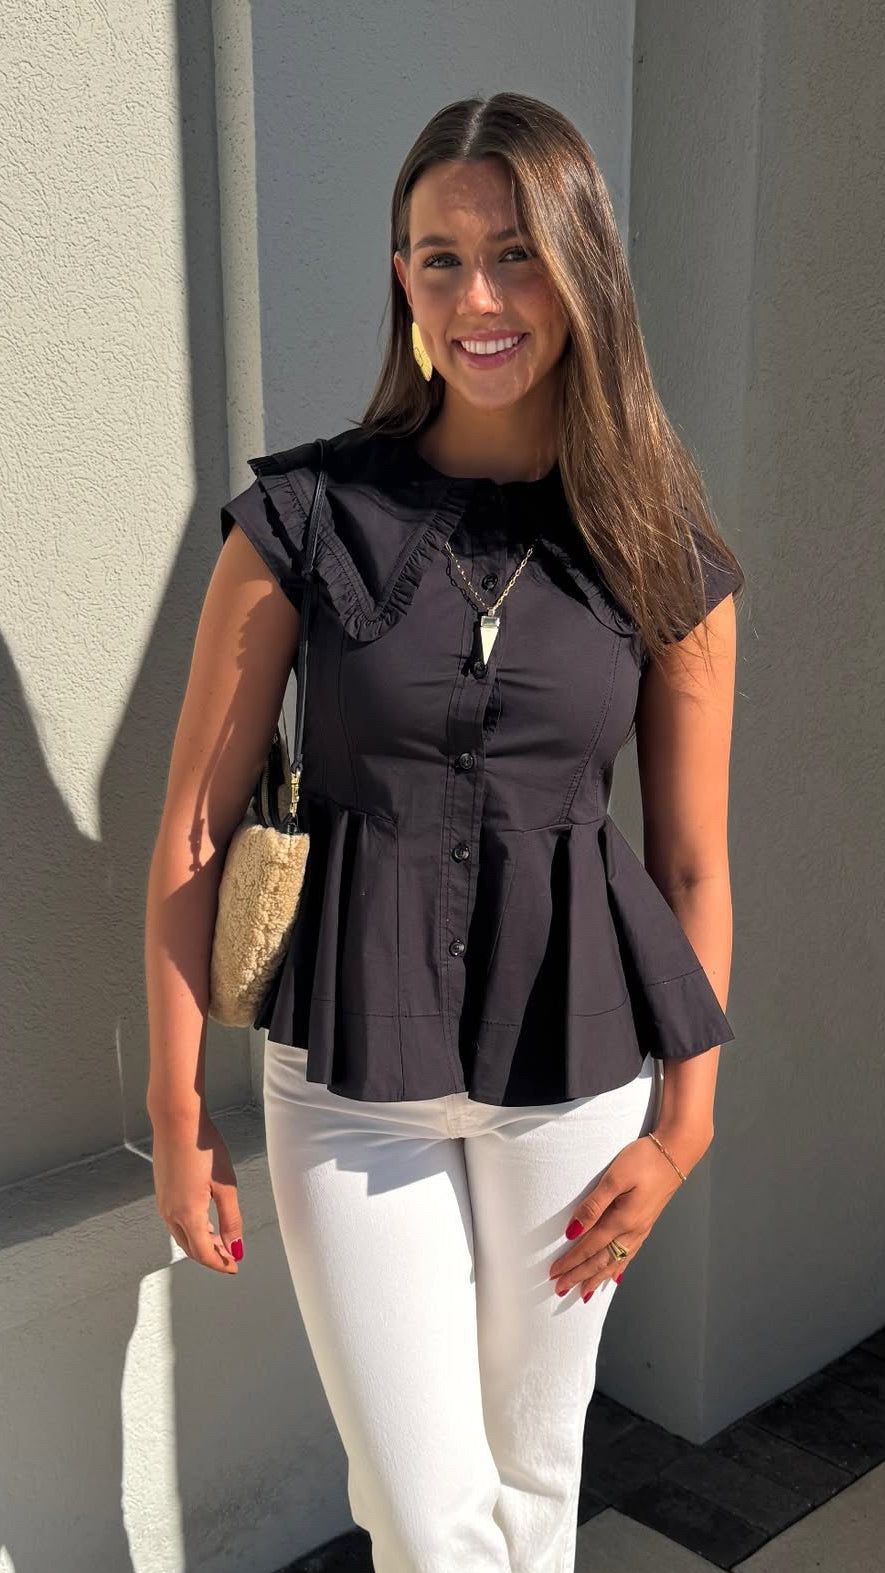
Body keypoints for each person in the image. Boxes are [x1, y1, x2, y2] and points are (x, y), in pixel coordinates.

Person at [145, 91, 744, 1573]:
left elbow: (687, 866)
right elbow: (194, 830)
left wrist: (687, 1120)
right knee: (422, 1510)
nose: (477, 296)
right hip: (349, 1083)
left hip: (577, 1081)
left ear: (581, 272)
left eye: (516, 254)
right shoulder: (300, 520)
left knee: (530, 1491)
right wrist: (175, 1109)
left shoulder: (659, 548)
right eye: (437, 258)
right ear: (400, 284)